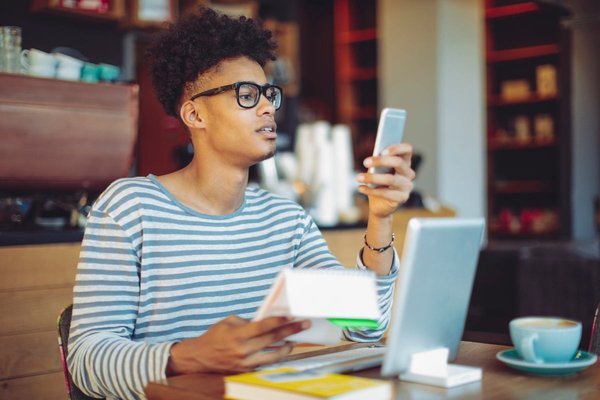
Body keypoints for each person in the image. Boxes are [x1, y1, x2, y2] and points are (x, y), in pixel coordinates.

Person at [67, 7, 415, 400]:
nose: (268, 107)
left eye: (268, 94)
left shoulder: (286, 220)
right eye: (247, 95)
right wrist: (190, 356)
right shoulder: (130, 208)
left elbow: (363, 327)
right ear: (195, 114)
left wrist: (380, 218)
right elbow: (86, 360)